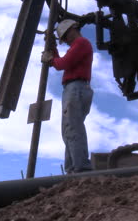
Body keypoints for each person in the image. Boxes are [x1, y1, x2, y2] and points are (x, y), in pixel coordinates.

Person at [41, 19, 94, 174]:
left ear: (72, 29)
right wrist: (53, 48)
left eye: (64, 37)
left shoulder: (81, 43)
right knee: (69, 129)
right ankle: (72, 168)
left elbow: (62, 63)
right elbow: (61, 63)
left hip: (76, 88)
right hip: (74, 88)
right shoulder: (77, 46)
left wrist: (51, 59)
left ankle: (81, 167)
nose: (65, 41)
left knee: (73, 127)